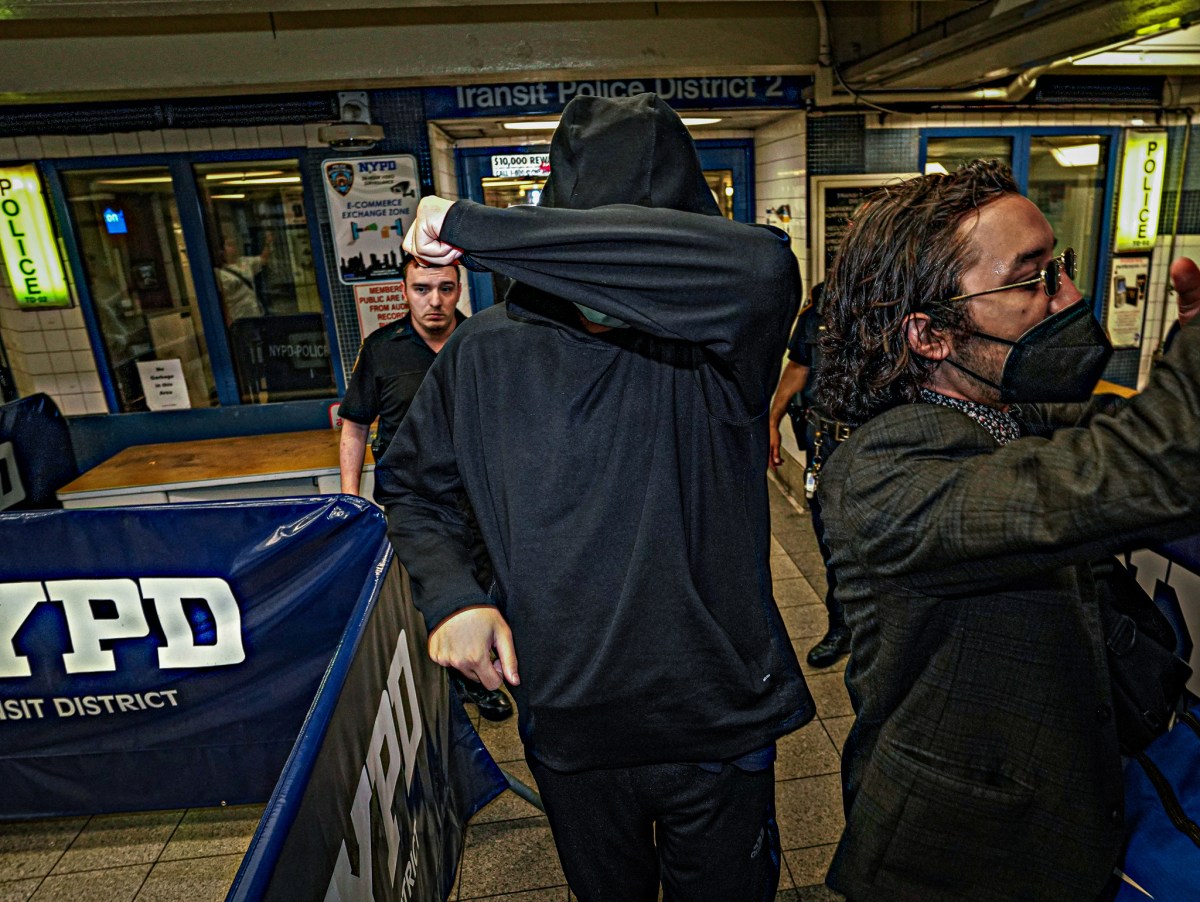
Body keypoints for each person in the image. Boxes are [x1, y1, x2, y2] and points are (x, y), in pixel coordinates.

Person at [375, 93, 813, 901]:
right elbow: (411, 487)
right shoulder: (485, 354)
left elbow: (761, 264)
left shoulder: (727, 337)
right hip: (572, 715)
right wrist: (453, 598)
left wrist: (463, 220)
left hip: (717, 713)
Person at [813, 159, 1200, 901]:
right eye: (1032, 281)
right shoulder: (881, 473)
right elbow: (1153, 464)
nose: (1071, 297)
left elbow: (1143, 447)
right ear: (930, 335)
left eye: (1059, 267)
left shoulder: (1012, 414)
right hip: (961, 861)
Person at [338, 255, 514, 723]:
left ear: (461, 289)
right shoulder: (381, 348)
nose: (434, 301)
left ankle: (486, 678)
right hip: (414, 500)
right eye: (421, 289)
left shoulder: (484, 342)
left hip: (479, 494)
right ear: (404, 290)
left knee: (484, 584)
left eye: (445, 288)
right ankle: (451, 683)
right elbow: (355, 426)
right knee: (429, 587)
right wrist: (350, 498)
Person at [767, 281, 851, 668]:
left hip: (880, 442)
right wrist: (774, 418)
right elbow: (800, 364)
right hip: (827, 444)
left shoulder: (906, 305)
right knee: (830, 542)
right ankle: (842, 626)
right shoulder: (822, 306)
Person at [214, 233, 270, 323]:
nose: (234, 247)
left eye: (234, 244)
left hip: (255, 313)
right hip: (238, 317)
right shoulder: (219, 273)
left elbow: (263, 259)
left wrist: (268, 243)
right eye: (229, 245)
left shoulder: (245, 262)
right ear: (222, 250)